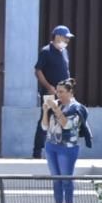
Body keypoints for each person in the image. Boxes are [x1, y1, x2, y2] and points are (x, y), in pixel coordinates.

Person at [41, 80, 91, 203]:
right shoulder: (56, 104)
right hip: (51, 146)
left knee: (66, 179)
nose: (58, 94)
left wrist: (56, 109)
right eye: (57, 91)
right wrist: (45, 110)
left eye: (62, 91)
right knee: (56, 179)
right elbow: (44, 127)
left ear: (70, 92)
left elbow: (67, 125)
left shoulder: (76, 108)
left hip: (67, 148)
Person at [34, 25, 73, 159]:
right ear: (57, 37)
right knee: (45, 120)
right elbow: (38, 71)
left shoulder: (64, 51)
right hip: (50, 93)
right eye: (65, 38)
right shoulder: (46, 51)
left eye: (68, 38)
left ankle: (61, 149)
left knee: (63, 119)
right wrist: (49, 86)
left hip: (64, 93)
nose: (67, 41)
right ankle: (37, 152)